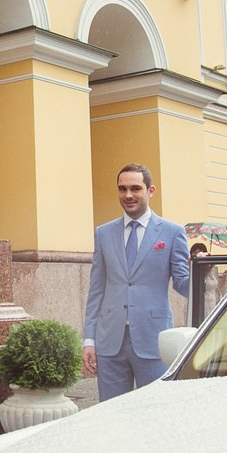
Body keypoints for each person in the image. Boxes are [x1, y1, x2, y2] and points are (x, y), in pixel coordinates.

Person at [83, 163, 192, 400]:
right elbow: (96, 290)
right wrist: (89, 339)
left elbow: (182, 284)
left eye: (135, 188)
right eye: (122, 189)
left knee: (154, 410)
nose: (128, 195)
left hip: (153, 340)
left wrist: (204, 277)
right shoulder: (103, 233)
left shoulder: (172, 232)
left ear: (150, 191)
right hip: (110, 341)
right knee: (111, 412)